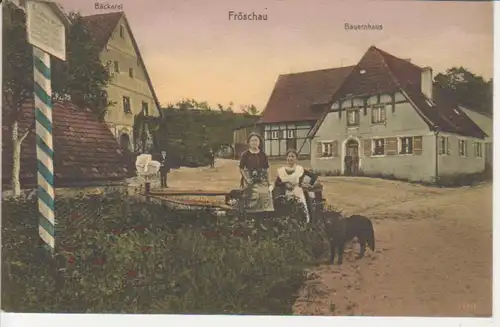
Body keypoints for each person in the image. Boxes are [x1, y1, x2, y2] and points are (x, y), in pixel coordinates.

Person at [273, 149, 318, 223]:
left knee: (302, 210)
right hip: (287, 193)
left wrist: (307, 185)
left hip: (298, 192)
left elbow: (313, 176)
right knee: (288, 211)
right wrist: (285, 184)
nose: (290, 158)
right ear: (286, 158)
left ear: (296, 158)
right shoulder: (282, 171)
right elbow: (277, 183)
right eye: (289, 156)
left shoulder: (300, 169)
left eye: (293, 156)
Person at [239, 133, 274, 213]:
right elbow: (241, 168)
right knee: (251, 197)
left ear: (259, 142)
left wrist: (269, 182)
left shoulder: (263, 155)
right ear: (249, 142)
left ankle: (264, 217)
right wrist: (246, 178)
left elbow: (267, 169)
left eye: (256, 140)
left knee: (265, 196)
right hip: (249, 180)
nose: (254, 142)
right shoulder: (245, 154)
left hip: (262, 180)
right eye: (252, 140)